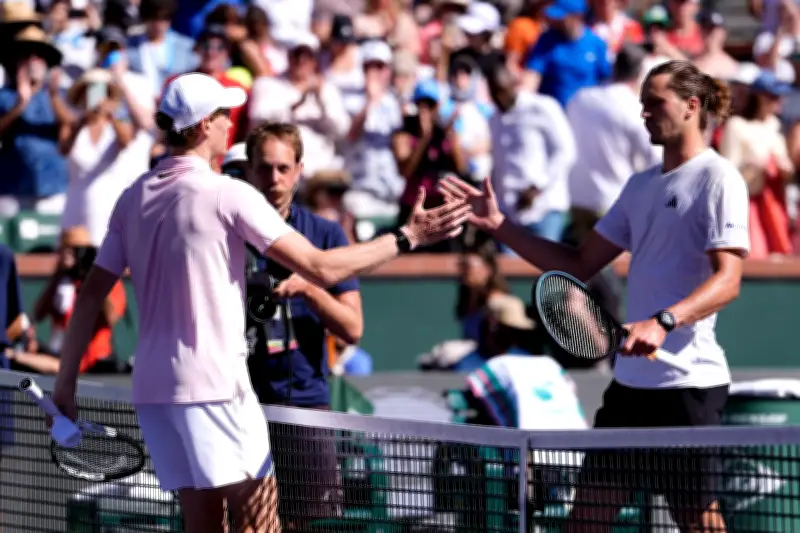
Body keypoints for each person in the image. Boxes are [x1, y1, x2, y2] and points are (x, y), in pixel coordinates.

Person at [49, 72, 469, 533]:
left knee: (204, 526)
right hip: (215, 388)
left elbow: (90, 295)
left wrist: (64, 385)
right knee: (262, 526)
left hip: (154, 393)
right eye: (224, 115)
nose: (231, 123)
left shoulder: (132, 198)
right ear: (204, 125)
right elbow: (322, 268)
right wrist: (410, 236)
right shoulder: (228, 193)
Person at [440, 59, 749, 532]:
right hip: (629, 390)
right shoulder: (640, 186)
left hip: (689, 387)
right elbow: (578, 263)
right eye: (640, 103)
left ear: (691, 107)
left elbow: (728, 279)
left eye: (654, 103)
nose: (643, 113)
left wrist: (662, 322)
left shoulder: (717, 177)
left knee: (700, 524)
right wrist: (501, 225)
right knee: (584, 522)